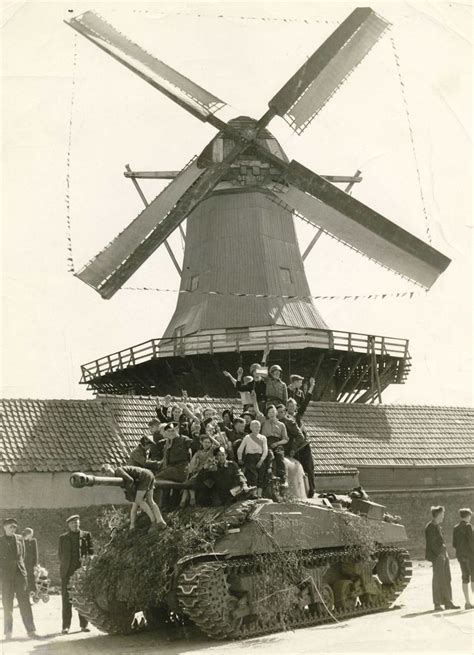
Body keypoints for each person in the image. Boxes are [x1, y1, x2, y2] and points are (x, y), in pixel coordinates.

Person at [0, 518, 37, 640]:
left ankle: (31, 631)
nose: (13, 529)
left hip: (20, 575)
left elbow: (23, 556)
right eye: (11, 526)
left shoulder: (20, 539)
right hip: (6, 577)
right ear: (4, 527)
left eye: (15, 527)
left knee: (25, 603)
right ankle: (8, 633)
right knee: (7, 604)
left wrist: (22, 570)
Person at [103, 464, 167, 532]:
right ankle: (160, 520)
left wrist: (130, 493)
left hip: (143, 477)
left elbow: (130, 480)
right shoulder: (117, 474)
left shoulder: (118, 471)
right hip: (149, 474)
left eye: (109, 471)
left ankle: (153, 521)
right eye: (106, 474)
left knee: (139, 500)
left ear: (113, 468)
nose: (109, 474)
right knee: (150, 500)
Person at [58, 515, 94, 634]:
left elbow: (91, 551)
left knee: (82, 597)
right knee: (66, 599)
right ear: (69, 525)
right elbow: (60, 554)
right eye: (73, 524)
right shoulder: (63, 538)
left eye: (77, 523)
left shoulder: (86, 535)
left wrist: (87, 565)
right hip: (67, 571)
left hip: (81, 571)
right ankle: (65, 626)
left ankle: (84, 625)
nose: (75, 525)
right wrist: (65, 566)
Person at [425, 506, 459, 611]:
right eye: (442, 514)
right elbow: (431, 544)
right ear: (438, 514)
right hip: (438, 556)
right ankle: (437, 603)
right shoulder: (430, 526)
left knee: (447, 578)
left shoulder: (438, 526)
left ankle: (448, 602)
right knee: (438, 579)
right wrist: (439, 554)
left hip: (443, 554)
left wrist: (444, 553)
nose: (443, 516)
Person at [278, 403, 315, 498]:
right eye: (278, 412)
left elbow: (300, 437)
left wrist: (293, 449)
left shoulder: (290, 422)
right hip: (288, 449)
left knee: (308, 468)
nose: (280, 413)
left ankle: (311, 490)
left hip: (300, 447)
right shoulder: (277, 422)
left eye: (282, 411)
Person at [155, 422, 194, 509]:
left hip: (181, 469)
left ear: (177, 430)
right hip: (171, 469)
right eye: (168, 431)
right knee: (165, 485)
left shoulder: (184, 440)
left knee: (156, 478)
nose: (171, 433)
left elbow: (195, 444)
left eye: (173, 431)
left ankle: (168, 507)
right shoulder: (168, 442)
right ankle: (165, 507)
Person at [180, 433, 219, 507]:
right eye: (205, 442)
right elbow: (192, 463)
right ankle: (186, 500)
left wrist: (210, 436)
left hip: (208, 471)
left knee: (190, 482)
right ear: (201, 442)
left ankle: (189, 499)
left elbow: (218, 444)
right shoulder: (198, 452)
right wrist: (192, 469)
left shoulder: (211, 451)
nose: (207, 444)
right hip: (199, 471)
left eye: (208, 442)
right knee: (188, 482)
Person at [237, 420, 268, 497]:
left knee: (261, 475)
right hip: (250, 458)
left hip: (260, 458)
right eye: (255, 426)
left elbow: (265, 450)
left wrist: (261, 460)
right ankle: (254, 494)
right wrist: (240, 458)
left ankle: (259, 495)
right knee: (253, 475)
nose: (257, 428)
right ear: (251, 428)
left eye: (258, 426)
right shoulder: (247, 437)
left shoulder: (263, 438)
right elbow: (240, 449)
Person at [452, 508, 474, 609]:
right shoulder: (469, 526)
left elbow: (454, 544)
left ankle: (467, 602)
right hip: (470, 556)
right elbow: (472, 542)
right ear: (468, 516)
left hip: (461, 556)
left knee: (465, 578)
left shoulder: (455, 527)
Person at [22, 528, 38, 594]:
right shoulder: (22, 541)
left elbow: (35, 553)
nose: (31, 536)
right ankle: (25, 596)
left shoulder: (33, 541)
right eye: (30, 534)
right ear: (27, 534)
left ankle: (33, 593)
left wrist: (35, 564)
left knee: (31, 579)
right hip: (23, 563)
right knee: (24, 580)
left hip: (31, 564)